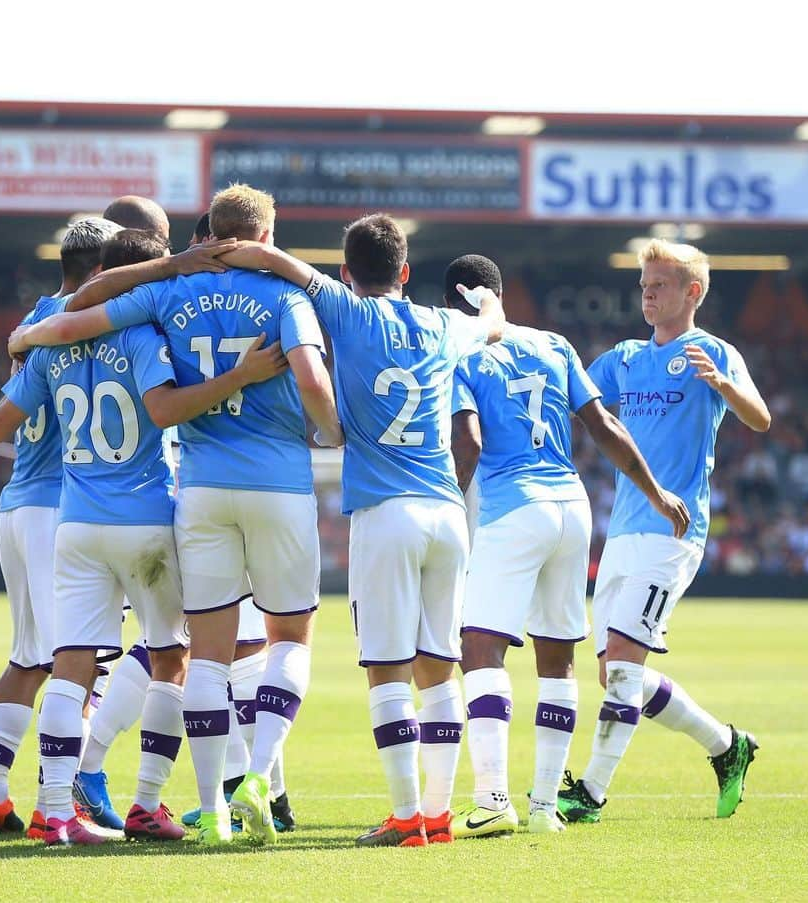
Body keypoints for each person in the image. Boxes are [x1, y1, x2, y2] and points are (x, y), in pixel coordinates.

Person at [8, 184, 341, 846]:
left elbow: (74, 319)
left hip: (194, 492)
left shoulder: (166, 296)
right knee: (267, 642)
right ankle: (252, 782)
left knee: (199, 653)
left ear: (205, 235)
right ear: (266, 235)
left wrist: (26, 336)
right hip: (266, 485)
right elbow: (308, 375)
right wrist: (334, 432)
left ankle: (209, 802)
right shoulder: (287, 296)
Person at [219, 216, 506, 847]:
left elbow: (282, 267)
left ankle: (405, 816)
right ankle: (435, 813)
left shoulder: (346, 311)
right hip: (447, 512)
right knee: (439, 667)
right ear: (405, 272)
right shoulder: (440, 324)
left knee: (386, 669)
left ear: (347, 272)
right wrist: (489, 303)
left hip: (386, 513)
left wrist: (231, 245)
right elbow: (489, 326)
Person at [444, 254, 689, 836]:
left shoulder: (459, 352)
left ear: (457, 303)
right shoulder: (553, 345)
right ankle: (545, 808)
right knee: (558, 658)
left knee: (480, 649)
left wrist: (449, 501)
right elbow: (604, 424)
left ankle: (492, 798)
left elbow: (470, 441)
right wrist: (655, 492)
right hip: (571, 508)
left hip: (512, 507)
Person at [559, 238, 771, 824]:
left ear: (691, 292)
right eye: (644, 285)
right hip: (622, 531)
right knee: (616, 673)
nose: (647, 294)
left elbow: (761, 416)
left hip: (674, 532)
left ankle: (591, 793)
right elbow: (570, 389)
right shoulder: (624, 358)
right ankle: (728, 747)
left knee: (624, 666)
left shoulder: (714, 352)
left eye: (659, 286)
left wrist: (725, 388)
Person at [0, 217, 122, 837]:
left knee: (27, 658)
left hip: (18, 503)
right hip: (65, 508)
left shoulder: (36, 319)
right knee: (78, 664)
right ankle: (58, 806)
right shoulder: (81, 325)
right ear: (100, 270)